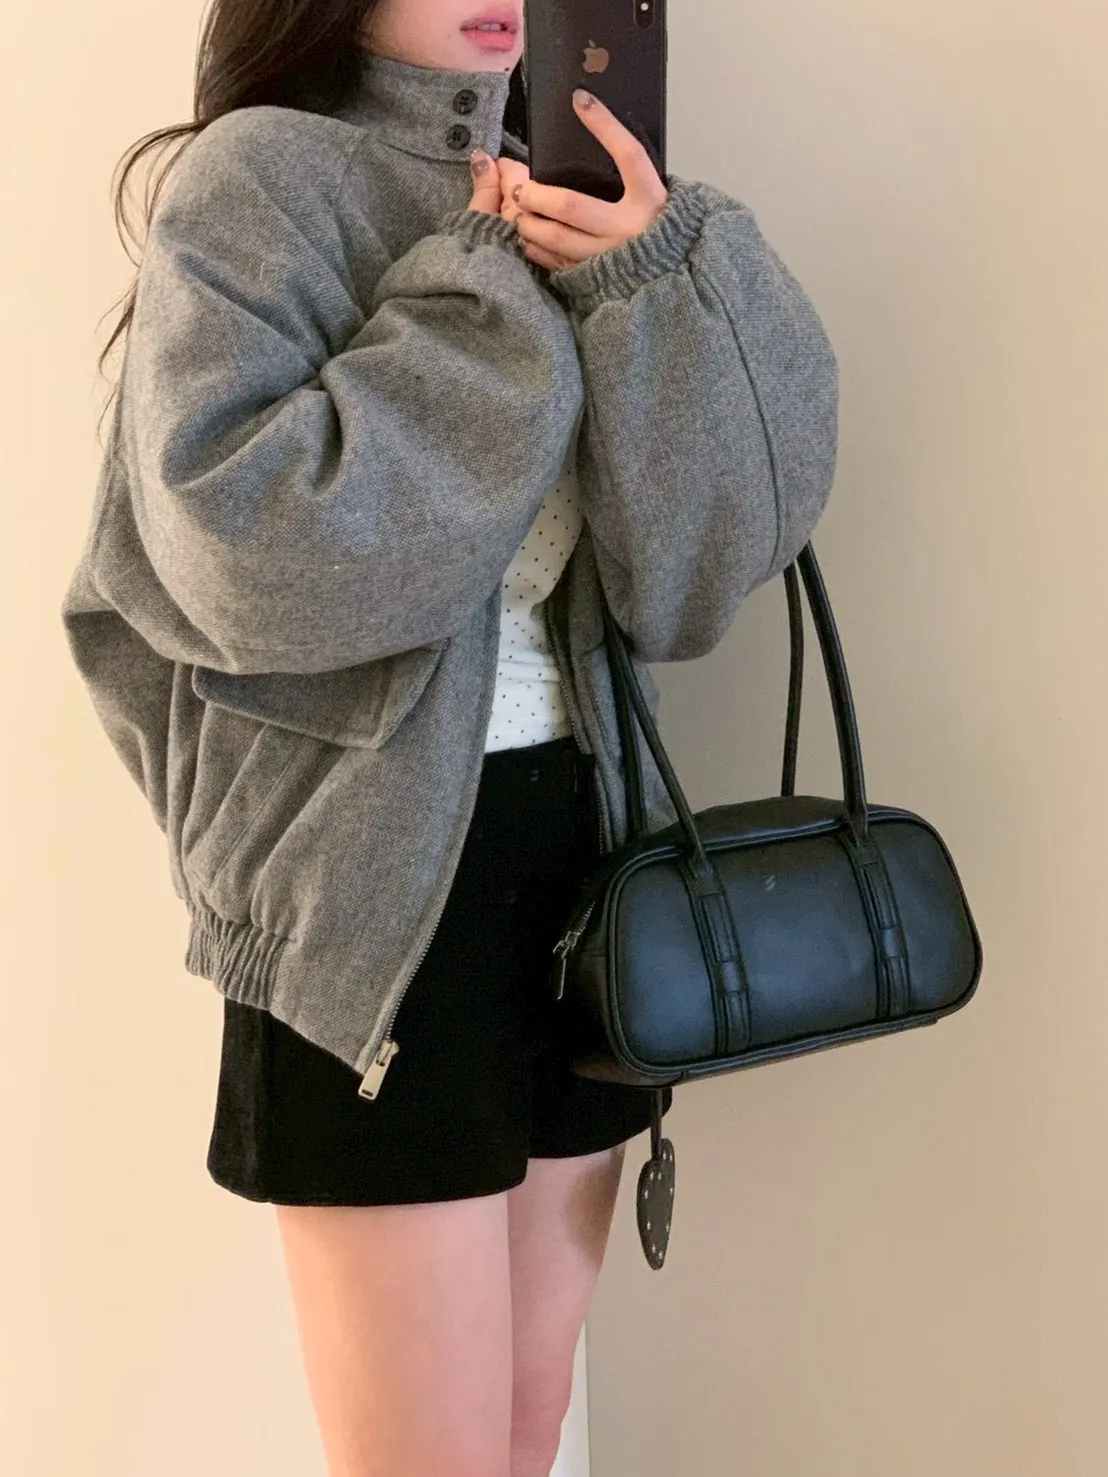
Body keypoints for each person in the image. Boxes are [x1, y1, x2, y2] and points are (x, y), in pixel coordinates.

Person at [60, 0, 839, 1471]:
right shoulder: (262, 181)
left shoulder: (610, 203)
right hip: (366, 906)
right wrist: (485, 292)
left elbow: (694, 584)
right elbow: (252, 560)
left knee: (529, 1430)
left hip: (595, 875)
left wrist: (653, 281)